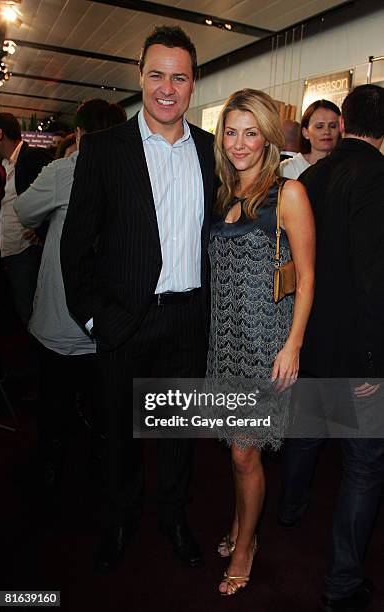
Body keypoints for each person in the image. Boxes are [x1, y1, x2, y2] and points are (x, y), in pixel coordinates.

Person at [60, 26, 215, 572]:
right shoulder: (104, 150)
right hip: (124, 321)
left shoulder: (212, 151)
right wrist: (96, 318)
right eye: (156, 75)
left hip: (189, 319)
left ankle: (172, 516)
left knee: (177, 433)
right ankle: (123, 515)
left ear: (194, 83)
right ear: (139, 77)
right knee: (121, 432)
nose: (166, 88)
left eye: (179, 76)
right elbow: (74, 247)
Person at [278, 84, 384, 612]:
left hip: (309, 335)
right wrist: (372, 358)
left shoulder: (312, 176)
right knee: (363, 464)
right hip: (355, 347)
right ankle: (342, 580)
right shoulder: (376, 176)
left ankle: (289, 511)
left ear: (344, 125)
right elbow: (372, 277)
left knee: (306, 434)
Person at [207, 88, 315, 595]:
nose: (240, 143)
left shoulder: (287, 194)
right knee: (236, 450)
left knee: (245, 455)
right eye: (232, 131)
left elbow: (309, 278)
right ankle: (238, 524)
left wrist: (292, 345)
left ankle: (246, 545)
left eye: (252, 133)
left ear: (269, 137)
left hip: (265, 346)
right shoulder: (226, 193)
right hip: (225, 343)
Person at [14, 99, 127, 491]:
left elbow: (25, 211)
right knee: (104, 409)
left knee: (54, 407)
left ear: (78, 134)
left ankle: (51, 471)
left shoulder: (66, 171)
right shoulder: (131, 176)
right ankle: (100, 472)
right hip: (108, 320)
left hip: (62, 319)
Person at [0, 113, 52, 326]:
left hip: (28, 253)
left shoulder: (33, 157)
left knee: (32, 316)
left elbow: (52, 195)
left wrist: (40, 229)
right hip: (13, 253)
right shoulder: (6, 165)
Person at [279, 100, 340, 179]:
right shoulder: (286, 169)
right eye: (319, 126)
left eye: (332, 126)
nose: (327, 131)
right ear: (305, 132)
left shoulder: (346, 167)